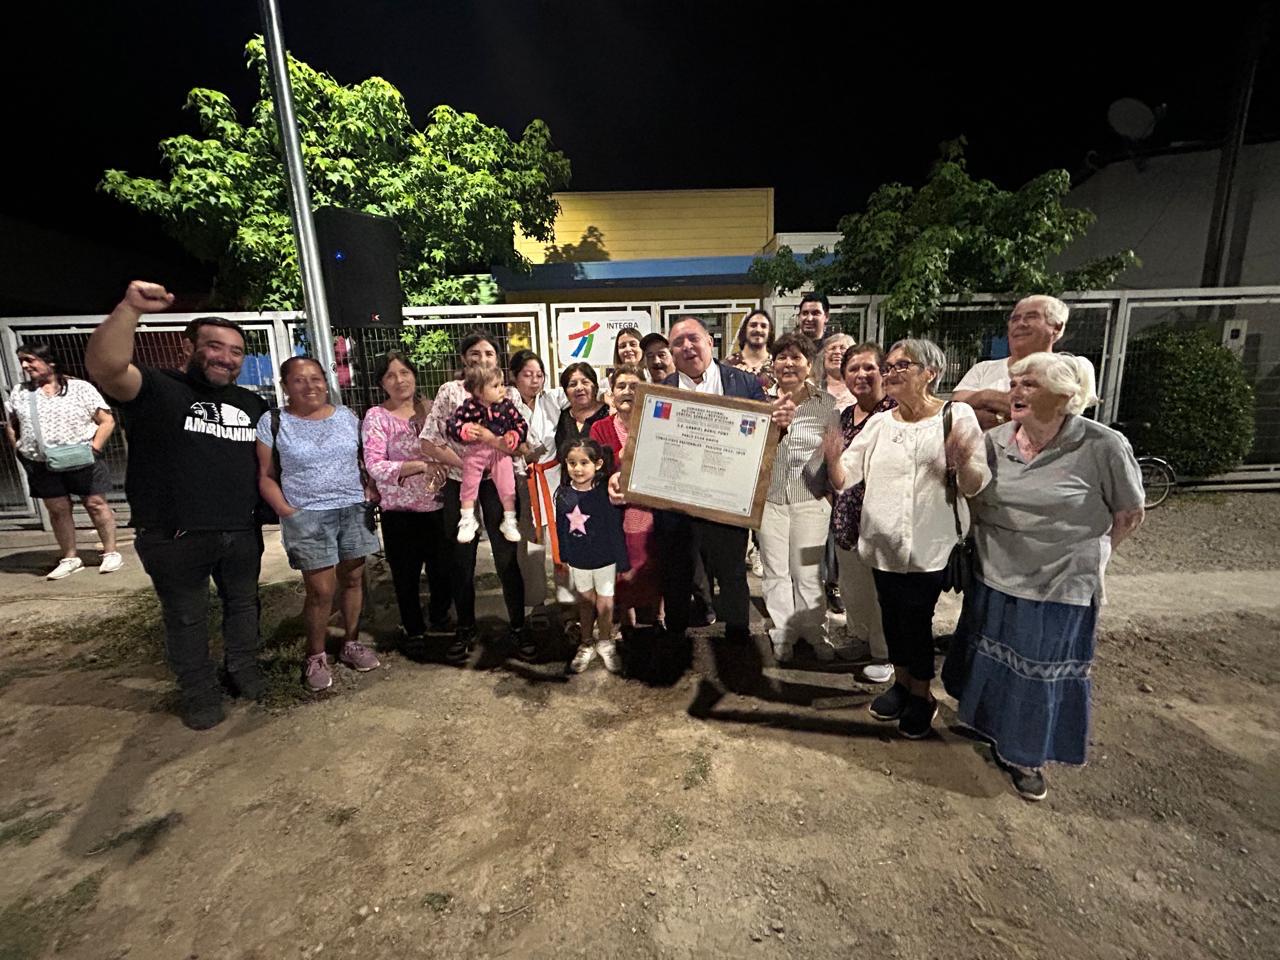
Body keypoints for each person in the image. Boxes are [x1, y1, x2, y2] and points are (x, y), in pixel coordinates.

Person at [946, 352, 1144, 801]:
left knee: (1038, 672)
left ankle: (1025, 757)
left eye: (1029, 385)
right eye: (1016, 383)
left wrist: (1095, 556)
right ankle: (986, 728)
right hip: (994, 574)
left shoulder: (1103, 445)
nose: (1015, 392)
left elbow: (1130, 513)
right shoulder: (994, 441)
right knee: (991, 659)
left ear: (1065, 396)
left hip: (1060, 583)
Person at [86, 281, 266, 730]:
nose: (226, 357)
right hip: (174, 534)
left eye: (235, 351)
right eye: (214, 347)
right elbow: (106, 367)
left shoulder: (252, 403)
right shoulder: (157, 389)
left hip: (240, 531)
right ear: (190, 347)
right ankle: (199, 690)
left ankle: (242, 668)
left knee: (243, 605)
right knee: (186, 616)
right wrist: (129, 308)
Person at [825, 338, 990, 739]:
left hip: (929, 548)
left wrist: (961, 460)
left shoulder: (955, 416)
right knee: (893, 619)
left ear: (930, 373)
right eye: (890, 365)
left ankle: (922, 696)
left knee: (916, 622)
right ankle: (900, 685)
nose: (891, 371)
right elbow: (847, 477)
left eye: (903, 365)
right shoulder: (881, 423)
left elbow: (976, 484)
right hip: (882, 546)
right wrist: (832, 458)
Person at [623, 317, 796, 648]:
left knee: (732, 574)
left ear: (710, 343)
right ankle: (675, 637)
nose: (686, 347)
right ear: (671, 352)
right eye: (678, 343)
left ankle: (738, 637)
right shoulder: (660, 393)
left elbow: (763, 439)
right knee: (676, 574)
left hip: (727, 503)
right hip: (675, 505)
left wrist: (781, 426)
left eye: (693, 339)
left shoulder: (744, 383)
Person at [257, 357, 381, 693]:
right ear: (285, 386)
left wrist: (370, 487)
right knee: (320, 590)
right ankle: (316, 654)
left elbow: (364, 458)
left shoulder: (346, 416)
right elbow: (266, 476)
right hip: (307, 515)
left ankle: (351, 642)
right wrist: (287, 510)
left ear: (326, 382)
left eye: (316, 378)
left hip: (353, 509)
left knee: (354, 579)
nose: (310, 386)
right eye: (299, 380)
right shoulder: (273, 421)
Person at [420, 331, 527, 662]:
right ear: (464, 359)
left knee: (507, 555)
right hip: (458, 480)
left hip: (498, 481)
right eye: (475, 354)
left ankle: (519, 628)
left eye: (490, 354)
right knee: (460, 558)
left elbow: (523, 442)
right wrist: (465, 462)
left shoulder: (508, 393)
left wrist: (495, 446)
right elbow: (429, 440)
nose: (482, 359)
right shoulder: (449, 391)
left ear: (499, 360)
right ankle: (465, 628)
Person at [362, 350, 458, 649]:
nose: (399, 380)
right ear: (382, 383)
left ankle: (440, 618)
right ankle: (413, 629)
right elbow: (375, 465)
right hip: (399, 512)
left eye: (404, 372)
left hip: (438, 506)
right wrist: (419, 465)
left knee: (443, 571)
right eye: (391, 375)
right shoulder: (377, 417)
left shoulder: (432, 410)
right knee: (405, 575)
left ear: (414, 375)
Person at [5, 341, 122, 579]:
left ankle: (110, 552)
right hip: (41, 462)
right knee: (57, 509)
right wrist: (18, 446)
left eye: (30, 360)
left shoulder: (80, 388)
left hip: (82, 458)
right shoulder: (21, 392)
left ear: (50, 361)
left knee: (96, 504)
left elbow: (106, 420)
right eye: (22, 361)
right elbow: (12, 424)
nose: (26, 366)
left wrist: (95, 448)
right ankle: (70, 557)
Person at [755, 333, 836, 662]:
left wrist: (830, 493)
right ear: (773, 365)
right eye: (782, 357)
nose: (788, 363)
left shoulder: (826, 405)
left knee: (807, 570)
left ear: (809, 364)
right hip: (770, 499)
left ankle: (815, 631)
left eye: (796, 357)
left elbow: (835, 453)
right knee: (775, 570)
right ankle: (784, 631)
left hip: (812, 498)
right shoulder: (759, 404)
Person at [830, 342, 896, 684]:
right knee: (854, 588)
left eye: (869, 367)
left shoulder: (895, 413)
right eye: (853, 369)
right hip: (846, 517)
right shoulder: (844, 416)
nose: (861, 375)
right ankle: (858, 637)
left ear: (883, 371)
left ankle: (885, 654)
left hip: (880, 519)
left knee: (881, 592)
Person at [952, 295, 1097, 432]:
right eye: (1015, 319)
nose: (1020, 324)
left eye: (1031, 317)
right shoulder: (983, 369)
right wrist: (987, 396)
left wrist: (984, 405)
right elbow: (954, 411)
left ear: (1056, 327)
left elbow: (1058, 417)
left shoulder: (1075, 367)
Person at [590, 364, 662, 627]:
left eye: (634, 386)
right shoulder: (600, 428)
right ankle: (625, 616)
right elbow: (595, 468)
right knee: (620, 567)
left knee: (651, 562)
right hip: (613, 511)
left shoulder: (656, 424)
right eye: (621, 386)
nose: (627, 391)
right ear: (611, 393)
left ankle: (656, 616)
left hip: (648, 509)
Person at [508, 350, 573, 630]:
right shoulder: (505, 402)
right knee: (531, 546)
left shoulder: (553, 399)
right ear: (514, 376)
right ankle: (536, 604)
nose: (535, 381)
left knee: (565, 541)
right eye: (527, 374)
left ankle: (568, 601)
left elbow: (581, 392)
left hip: (554, 476)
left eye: (539, 375)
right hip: (522, 481)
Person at [557, 437, 630, 675]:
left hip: (605, 558)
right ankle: (586, 642)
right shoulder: (563, 495)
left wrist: (622, 560)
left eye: (583, 463)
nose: (577, 469)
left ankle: (606, 641)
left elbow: (614, 528)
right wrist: (564, 556)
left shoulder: (604, 495)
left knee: (606, 601)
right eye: (571, 463)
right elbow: (561, 528)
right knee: (585, 602)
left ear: (597, 464)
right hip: (579, 559)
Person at [445, 365, 526, 545]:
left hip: (500, 451)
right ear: (479, 391)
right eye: (496, 386)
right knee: (469, 481)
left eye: (502, 384)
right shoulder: (468, 407)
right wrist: (464, 430)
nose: (502, 389)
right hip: (476, 451)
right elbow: (452, 425)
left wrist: (514, 435)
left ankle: (510, 519)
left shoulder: (507, 406)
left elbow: (521, 424)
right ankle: (467, 518)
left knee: (507, 484)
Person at [554, 362, 610, 456]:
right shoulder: (561, 416)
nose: (579, 388)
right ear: (566, 392)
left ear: (595, 387)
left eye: (585, 382)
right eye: (573, 384)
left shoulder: (608, 413)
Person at [725, 309, 776, 393]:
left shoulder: (778, 365)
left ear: (770, 332)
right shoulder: (727, 366)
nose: (758, 330)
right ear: (744, 330)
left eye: (763, 326)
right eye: (753, 325)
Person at [820, 334, 855, 410]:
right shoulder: (812, 388)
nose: (837, 352)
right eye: (832, 348)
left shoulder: (859, 388)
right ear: (823, 357)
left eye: (842, 348)